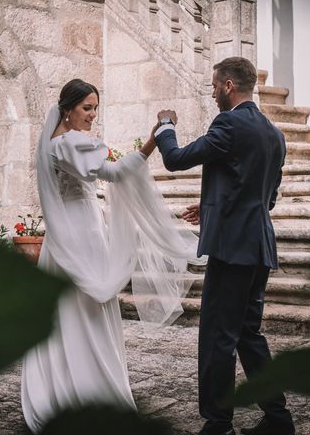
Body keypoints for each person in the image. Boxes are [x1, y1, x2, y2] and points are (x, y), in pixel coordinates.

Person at [21, 79, 203, 433]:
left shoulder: (53, 144)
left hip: (67, 234)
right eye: (87, 108)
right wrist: (156, 135)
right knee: (86, 309)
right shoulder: (71, 142)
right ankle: (89, 391)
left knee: (67, 314)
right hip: (81, 233)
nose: (92, 116)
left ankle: (66, 389)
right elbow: (118, 173)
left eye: (95, 109)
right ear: (67, 109)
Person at [152, 57, 295, 435]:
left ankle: (218, 424)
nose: (213, 92)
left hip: (232, 249)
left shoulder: (228, 122)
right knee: (248, 333)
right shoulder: (273, 133)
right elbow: (266, 197)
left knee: (219, 336)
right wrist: (211, 205)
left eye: (215, 85)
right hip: (259, 245)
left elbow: (176, 159)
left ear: (229, 85)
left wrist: (166, 126)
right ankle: (279, 421)